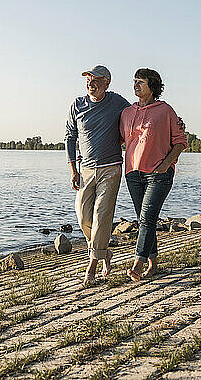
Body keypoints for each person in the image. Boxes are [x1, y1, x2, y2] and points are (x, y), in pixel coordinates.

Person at [119, 68, 187, 282]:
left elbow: (181, 141)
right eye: (134, 81)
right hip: (133, 173)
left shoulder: (165, 110)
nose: (136, 85)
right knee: (144, 220)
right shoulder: (127, 112)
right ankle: (154, 265)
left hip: (158, 174)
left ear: (153, 86)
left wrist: (166, 164)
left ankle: (137, 264)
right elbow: (120, 139)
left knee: (147, 218)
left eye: (141, 82)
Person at [65, 65, 130, 286]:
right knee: (83, 216)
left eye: (96, 79)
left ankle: (92, 266)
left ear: (107, 83)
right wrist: (72, 168)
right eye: (88, 79)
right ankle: (104, 253)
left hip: (111, 168)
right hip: (85, 170)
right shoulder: (78, 104)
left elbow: (136, 119)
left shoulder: (118, 102)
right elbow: (69, 137)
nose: (90, 82)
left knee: (102, 216)